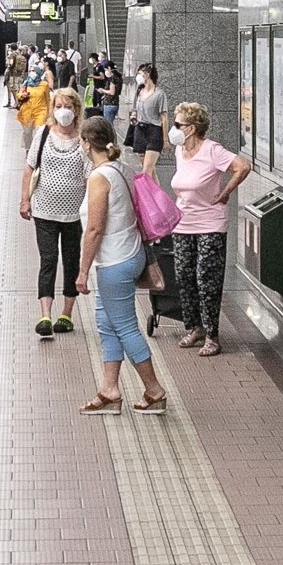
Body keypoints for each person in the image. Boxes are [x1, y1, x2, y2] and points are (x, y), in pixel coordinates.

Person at [73, 114, 166, 414]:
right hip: (131, 253)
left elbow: (95, 229)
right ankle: (109, 390)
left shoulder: (99, 178)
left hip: (115, 261)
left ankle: (154, 391)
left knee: (125, 327)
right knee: (106, 324)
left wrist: (82, 271)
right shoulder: (122, 169)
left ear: (87, 144)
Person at [165, 101, 249, 354]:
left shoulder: (212, 150)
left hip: (210, 224)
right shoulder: (180, 151)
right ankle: (194, 328)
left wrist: (225, 193)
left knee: (206, 280)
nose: (173, 128)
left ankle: (212, 334)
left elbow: (243, 166)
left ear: (191, 128)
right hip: (183, 224)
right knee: (184, 277)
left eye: (178, 124)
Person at [18, 90, 89, 339]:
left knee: (71, 262)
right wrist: (25, 200)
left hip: (74, 214)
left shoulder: (84, 140)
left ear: (76, 109)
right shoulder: (44, 134)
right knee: (48, 260)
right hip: (44, 211)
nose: (63, 110)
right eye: (58, 106)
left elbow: (92, 176)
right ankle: (45, 316)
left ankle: (66, 315)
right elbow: (29, 167)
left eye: (67, 106)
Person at [123, 62, 168, 156]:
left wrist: (165, 139)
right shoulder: (139, 91)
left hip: (154, 130)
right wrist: (133, 116)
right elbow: (134, 108)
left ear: (148, 75)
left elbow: (164, 117)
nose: (138, 76)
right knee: (146, 166)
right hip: (139, 129)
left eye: (140, 73)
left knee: (147, 167)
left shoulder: (159, 94)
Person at [15, 59, 51, 148]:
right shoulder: (25, 83)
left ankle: (37, 151)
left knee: (39, 132)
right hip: (27, 111)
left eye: (34, 71)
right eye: (30, 71)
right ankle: (28, 149)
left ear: (38, 72)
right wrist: (21, 95)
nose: (32, 72)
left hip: (41, 111)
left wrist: (49, 113)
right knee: (27, 132)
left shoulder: (44, 85)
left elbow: (48, 99)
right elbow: (18, 94)